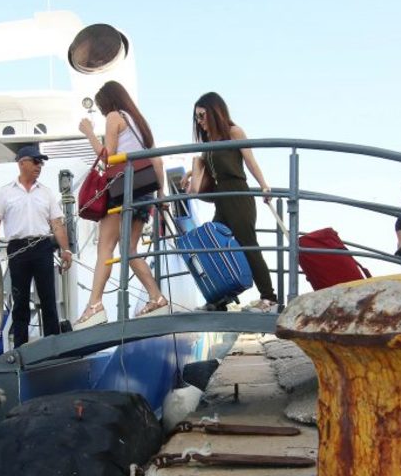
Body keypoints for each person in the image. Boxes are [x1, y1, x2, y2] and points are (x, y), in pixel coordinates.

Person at [73, 81, 169, 329]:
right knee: (130, 249)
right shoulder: (139, 121)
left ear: (108, 102)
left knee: (105, 248)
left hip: (124, 190)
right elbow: (155, 159)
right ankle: (156, 297)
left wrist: (89, 133)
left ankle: (95, 305)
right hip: (143, 191)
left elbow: (108, 159)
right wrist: (161, 193)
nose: (104, 112)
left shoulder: (115, 116)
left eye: (102, 106)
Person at [183, 92, 279, 311]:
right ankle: (220, 299)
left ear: (214, 112)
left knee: (247, 245)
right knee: (214, 246)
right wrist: (191, 172)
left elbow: (250, 161)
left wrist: (264, 185)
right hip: (221, 198)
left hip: (237, 194)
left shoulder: (234, 132)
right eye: (197, 118)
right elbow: (211, 168)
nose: (200, 121)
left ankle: (269, 298)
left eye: (202, 115)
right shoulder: (209, 141)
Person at [0, 144, 73, 348]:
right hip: (17, 249)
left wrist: (66, 250)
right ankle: (20, 349)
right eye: (35, 161)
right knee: (20, 301)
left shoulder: (47, 193)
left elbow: (57, 224)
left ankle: (54, 346)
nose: (39, 166)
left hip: (43, 247)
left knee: (48, 299)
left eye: (40, 162)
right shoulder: (5, 192)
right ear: (21, 163)